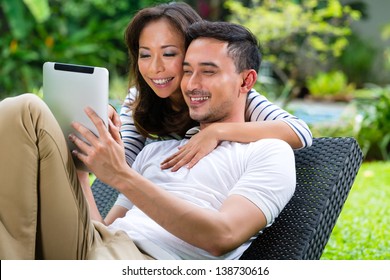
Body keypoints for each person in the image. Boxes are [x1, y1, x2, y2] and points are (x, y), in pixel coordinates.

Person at [0, 20, 296, 260]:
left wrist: (121, 175)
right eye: (187, 71)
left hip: (144, 263)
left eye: (208, 72)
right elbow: (105, 230)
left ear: (246, 81)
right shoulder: (156, 150)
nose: (192, 84)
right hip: (100, 246)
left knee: (28, 109)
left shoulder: (269, 151)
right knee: (20, 113)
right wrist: (78, 169)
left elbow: (222, 237)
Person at [118, 2, 312, 173]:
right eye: (145, 55)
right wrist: (105, 128)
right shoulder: (139, 98)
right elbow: (122, 163)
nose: (155, 68)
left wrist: (216, 131)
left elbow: (299, 131)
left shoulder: (234, 97)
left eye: (169, 54)